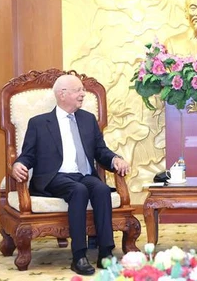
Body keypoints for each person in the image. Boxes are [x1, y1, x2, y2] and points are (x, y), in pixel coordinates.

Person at [11, 74, 130, 276]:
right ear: (62, 94)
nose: (83, 94)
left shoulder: (88, 120)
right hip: (55, 177)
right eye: (78, 90)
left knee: (101, 189)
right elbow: (28, 155)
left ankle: (105, 252)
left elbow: (101, 151)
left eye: (83, 89)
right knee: (79, 190)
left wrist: (115, 159)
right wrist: (18, 164)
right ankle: (79, 255)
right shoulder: (39, 123)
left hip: (83, 174)